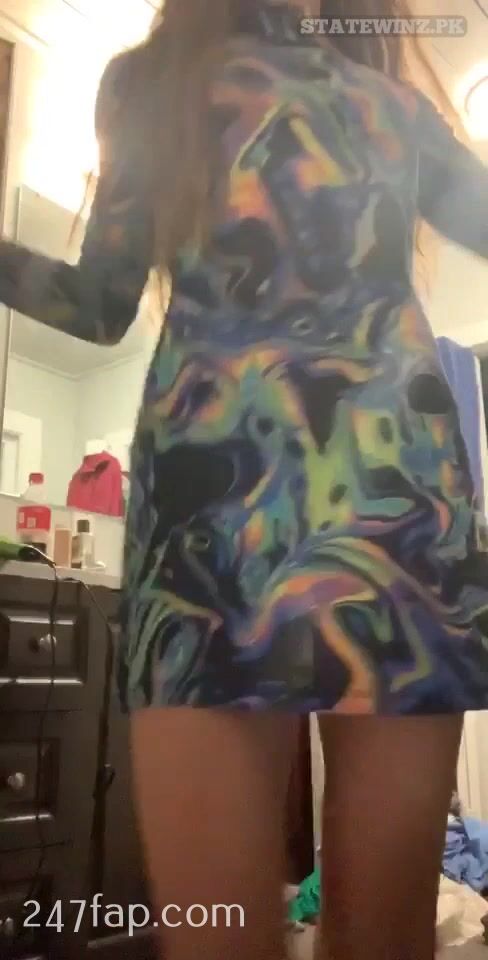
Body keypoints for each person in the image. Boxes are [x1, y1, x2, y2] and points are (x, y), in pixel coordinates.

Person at [0, 1, 487, 958]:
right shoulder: (168, 87)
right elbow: (102, 306)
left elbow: (94, 306)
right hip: (287, 526)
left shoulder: (353, 101)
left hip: (304, 522)